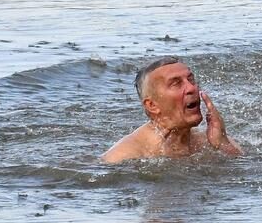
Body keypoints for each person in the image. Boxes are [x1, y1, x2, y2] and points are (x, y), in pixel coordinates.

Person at [103, 57, 241, 164]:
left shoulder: (208, 140)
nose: (192, 88)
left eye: (191, 80)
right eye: (176, 83)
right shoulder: (124, 156)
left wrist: (222, 144)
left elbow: (241, 172)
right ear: (152, 105)